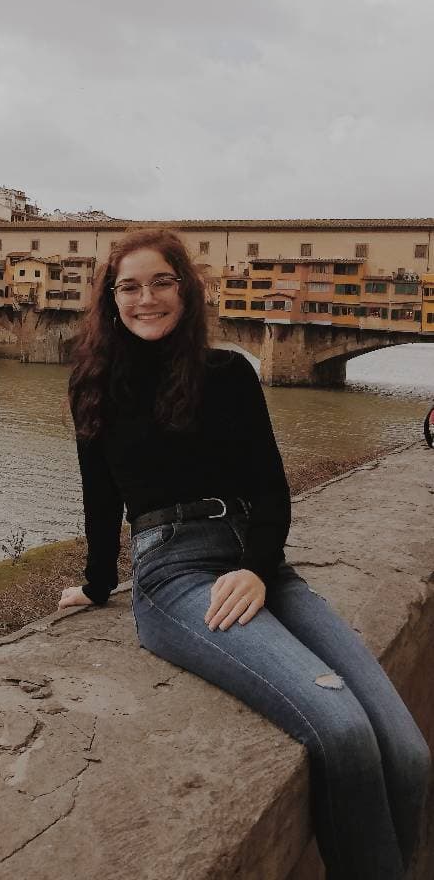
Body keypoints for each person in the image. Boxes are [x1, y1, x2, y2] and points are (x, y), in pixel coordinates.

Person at [58, 228, 430, 880]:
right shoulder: (93, 383)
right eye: (130, 287)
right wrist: (95, 585)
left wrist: (258, 568)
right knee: (340, 730)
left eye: (161, 282)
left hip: (259, 562)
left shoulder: (229, 374)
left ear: (187, 289)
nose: (146, 298)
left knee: (408, 752)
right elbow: (100, 500)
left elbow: (269, 488)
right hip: (171, 574)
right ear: (111, 300)